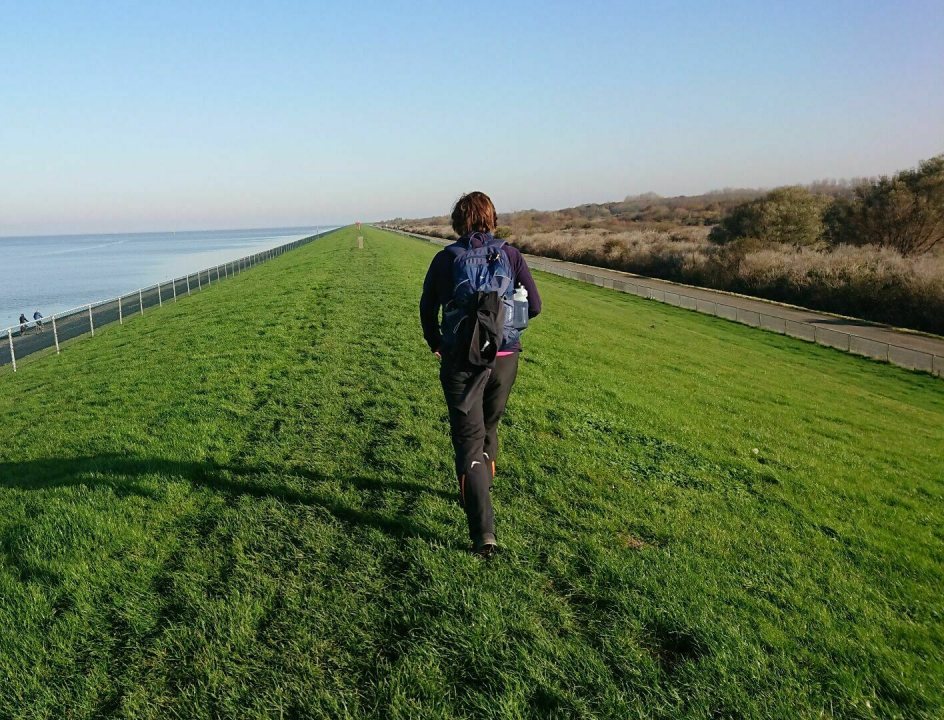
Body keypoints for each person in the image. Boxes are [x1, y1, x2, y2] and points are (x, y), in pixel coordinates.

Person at [420, 191, 541, 556]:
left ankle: (484, 533)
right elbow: (534, 306)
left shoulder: (446, 259)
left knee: (468, 440)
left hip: (460, 360)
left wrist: (436, 342)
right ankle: (481, 487)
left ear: (457, 221)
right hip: (504, 357)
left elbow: (427, 307)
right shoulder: (511, 254)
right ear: (492, 219)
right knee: (489, 427)